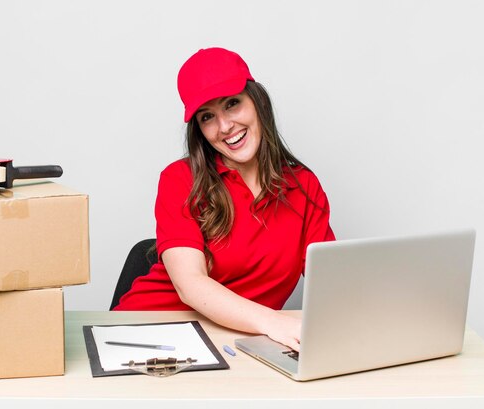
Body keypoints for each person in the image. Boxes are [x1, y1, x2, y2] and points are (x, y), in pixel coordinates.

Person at [114, 47, 335, 352]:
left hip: (234, 343)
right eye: (208, 117)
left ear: (258, 102)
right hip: (146, 334)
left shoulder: (304, 187)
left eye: (232, 104)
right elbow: (189, 285)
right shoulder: (180, 179)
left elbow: (333, 285)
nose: (225, 127)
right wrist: (274, 322)